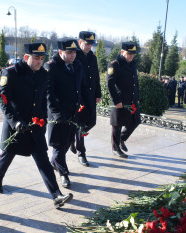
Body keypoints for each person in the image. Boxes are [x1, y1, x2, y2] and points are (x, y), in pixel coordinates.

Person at [0, 42, 73, 208]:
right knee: (7, 155)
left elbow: (44, 99)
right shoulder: (11, 73)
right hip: (15, 125)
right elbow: (3, 100)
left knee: (43, 160)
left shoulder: (44, 74)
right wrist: (14, 121)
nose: (39, 61)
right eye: (36, 58)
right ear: (26, 57)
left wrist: (43, 120)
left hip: (35, 126)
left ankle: (56, 195)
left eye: (42, 58)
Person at [47, 38, 86, 188]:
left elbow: (81, 87)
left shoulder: (77, 65)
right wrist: (57, 114)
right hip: (58, 114)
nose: (73, 55)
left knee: (69, 141)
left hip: (73, 112)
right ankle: (64, 175)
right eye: (69, 52)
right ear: (61, 52)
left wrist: (85, 105)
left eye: (74, 52)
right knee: (58, 145)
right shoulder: (51, 67)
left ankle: (54, 162)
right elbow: (49, 94)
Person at [69, 31, 101, 167]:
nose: (89, 47)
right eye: (87, 44)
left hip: (91, 96)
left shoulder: (92, 58)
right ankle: (81, 152)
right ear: (80, 42)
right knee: (80, 124)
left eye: (91, 44)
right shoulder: (75, 56)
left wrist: (98, 93)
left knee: (91, 121)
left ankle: (72, 137)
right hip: (80, 97)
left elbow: (96, 76)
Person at [107, 42, 141, 158]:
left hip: (132, 100)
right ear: (122, 52)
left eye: (133, 54)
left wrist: (137, 97)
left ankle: (122, 138)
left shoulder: (133, 63)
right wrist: (116, 101)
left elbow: (135, 82)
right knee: (117, 125)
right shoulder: (114, 65)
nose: (131, 56)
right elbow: (110, 85)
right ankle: (115, 148)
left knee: (135, 121)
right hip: (120, 100)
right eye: (129, 53)